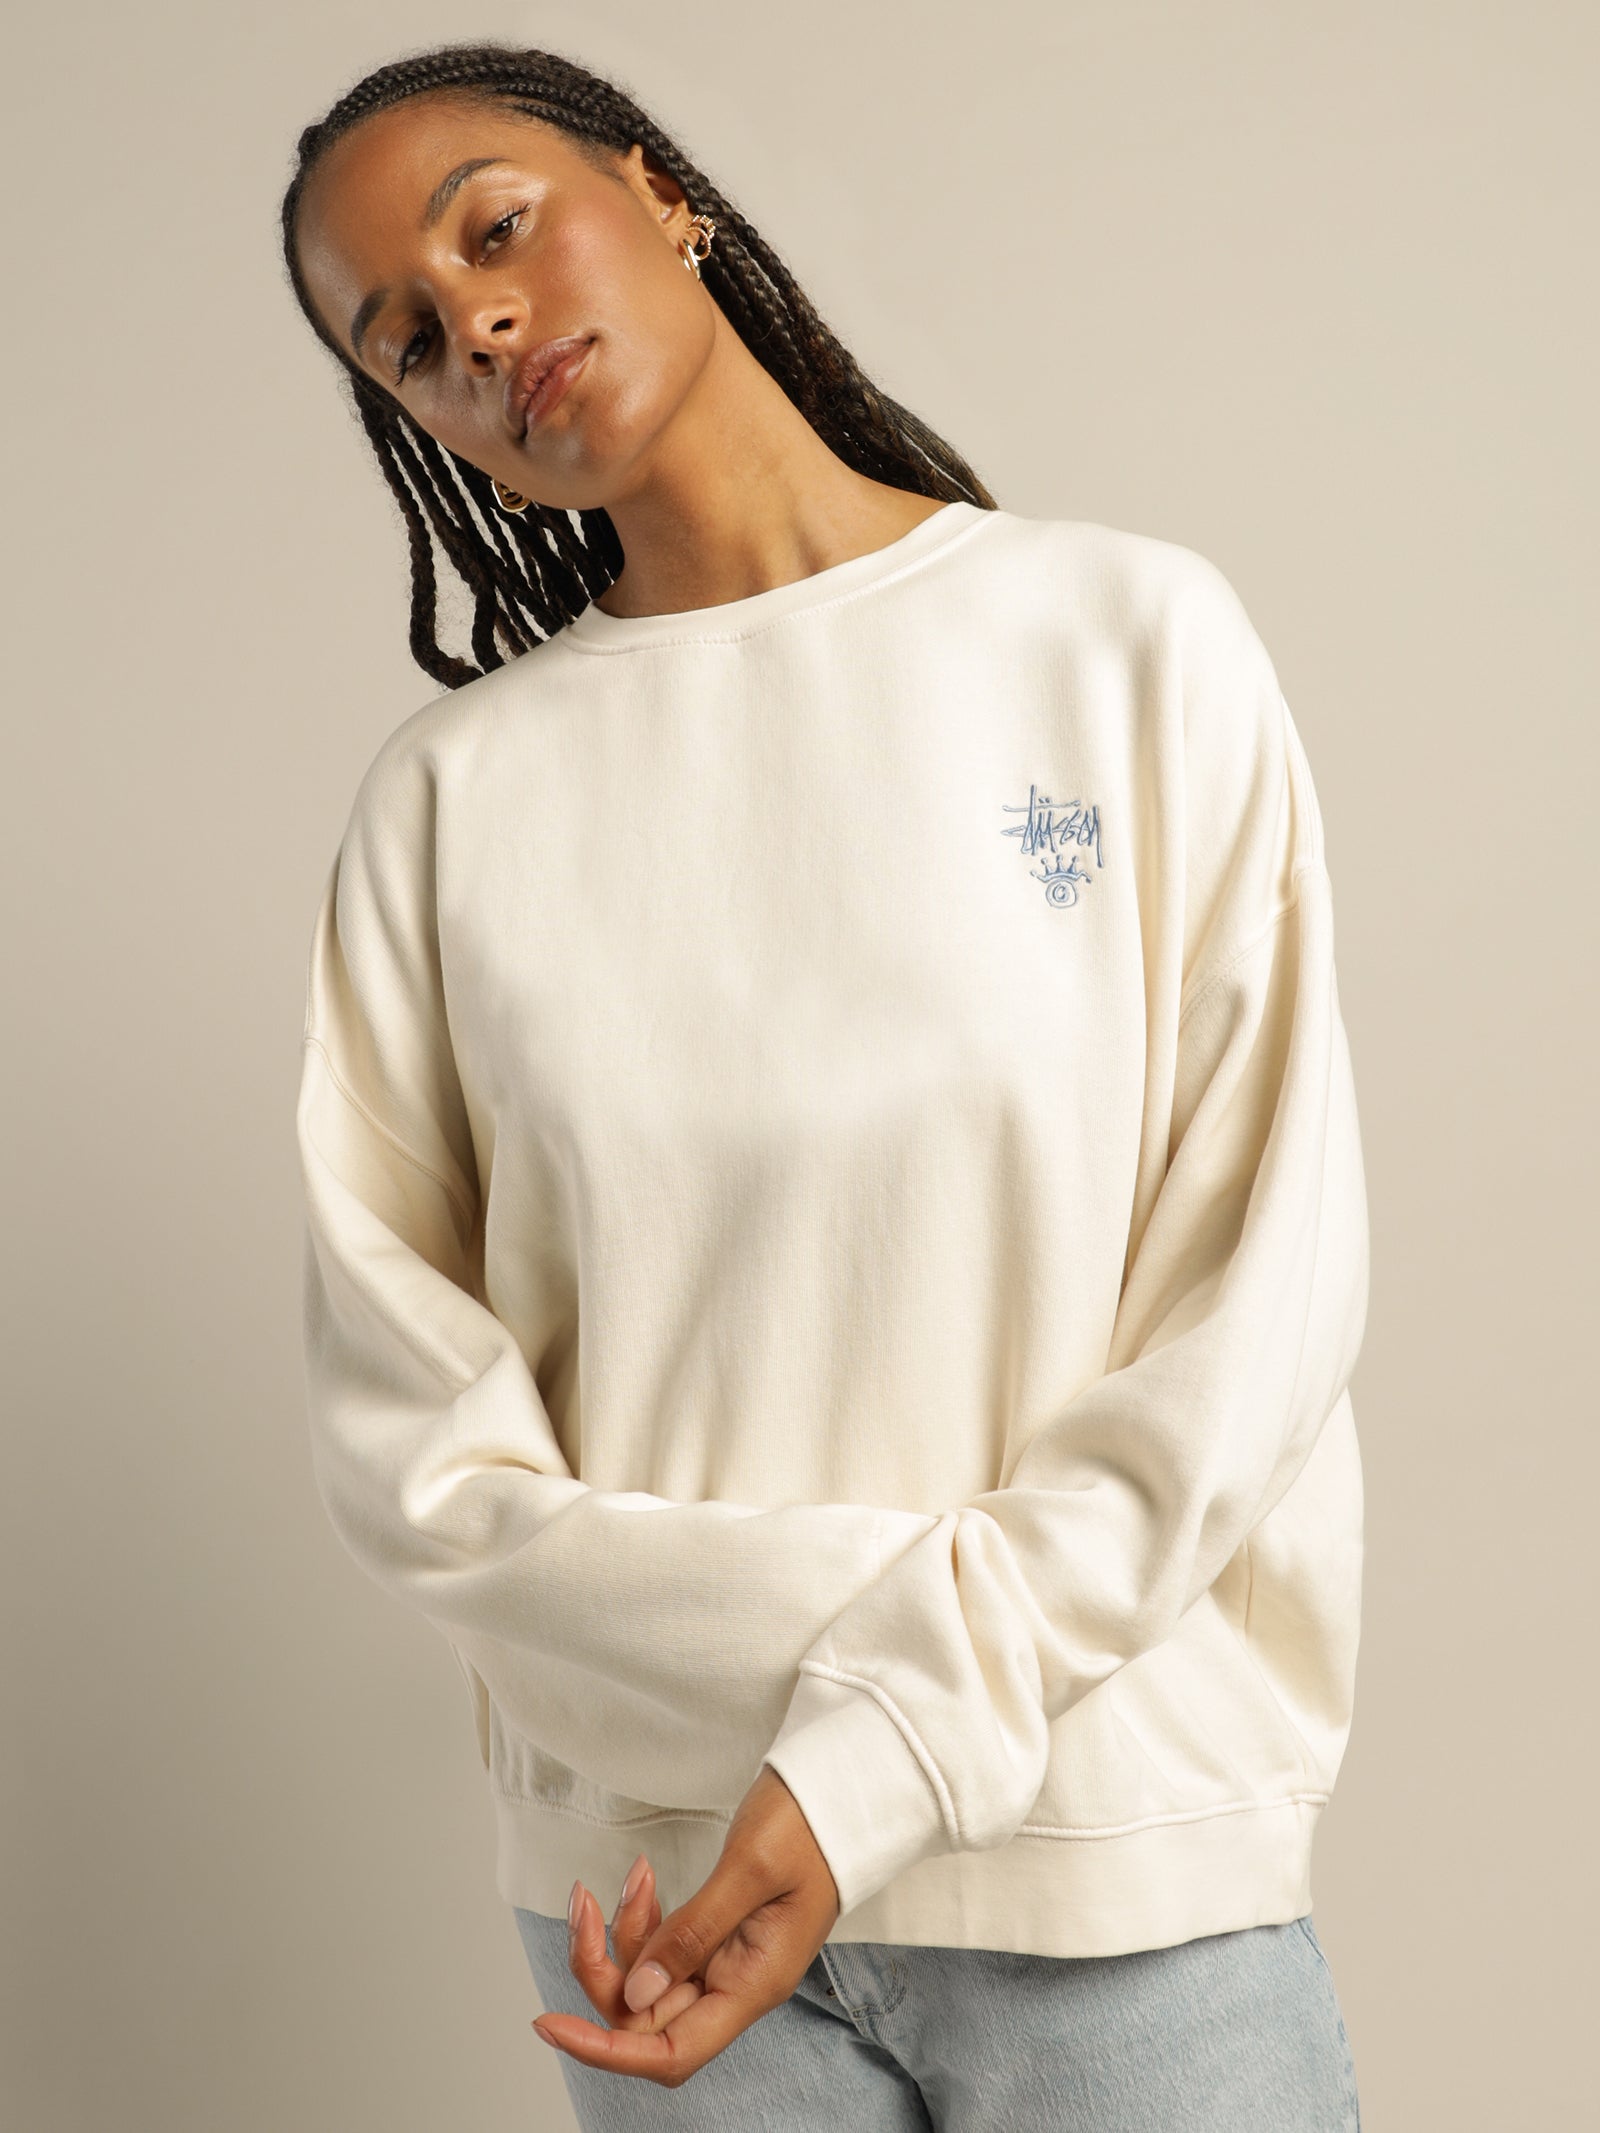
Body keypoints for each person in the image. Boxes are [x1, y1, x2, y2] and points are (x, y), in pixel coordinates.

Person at [283, 40, 1369, 2132]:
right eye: (403, 340)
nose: (473, 324)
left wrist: (886, 1737)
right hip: (659, 1901)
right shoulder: (448, 812)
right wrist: (853, 1703)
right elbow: (411, 1446)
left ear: (659, 192)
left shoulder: (1123, 643)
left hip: (1105, 1861)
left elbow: (1257, 1304)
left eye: (495, 229)